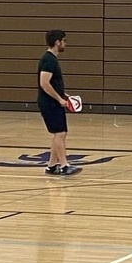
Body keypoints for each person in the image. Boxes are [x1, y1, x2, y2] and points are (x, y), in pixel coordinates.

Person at [37, 29, 77, 176]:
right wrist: (59, 99)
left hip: (53, 101)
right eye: (63, 41)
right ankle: (65, 166)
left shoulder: (52, 59)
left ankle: (51, 166)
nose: (65, 43)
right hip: (49, 103)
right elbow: (44, 83)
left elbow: (51, 83)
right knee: (60, 133)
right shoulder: (49, 60)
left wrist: (63, 95)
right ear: (57, 42)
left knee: (60, 133)